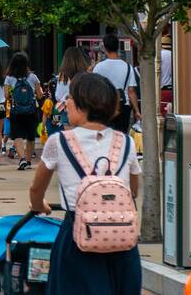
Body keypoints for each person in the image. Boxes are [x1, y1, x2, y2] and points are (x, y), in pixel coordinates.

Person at [29, 71, 141, 294]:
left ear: (83, 105)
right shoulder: (126, 142)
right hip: (121, 240)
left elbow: (36, 189)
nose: (66, 103)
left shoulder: (58, 142)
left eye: (69, 98)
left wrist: (39, 206)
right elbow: (133, 192)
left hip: (77, 237)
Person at [92, 34, 140, 135]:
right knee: (121, 136)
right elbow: (131, 91)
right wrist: (137, 111)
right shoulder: (128, 67)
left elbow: (95, 90)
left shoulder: (99, 67)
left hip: (105, 105)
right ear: (118, 47)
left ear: (105, 48)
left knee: (105, 136)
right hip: (124, 106)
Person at [5, 52, 44, 170]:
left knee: (17, 135)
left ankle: (21, 159)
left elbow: (6, 95)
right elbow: (40, 95)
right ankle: (28, 161)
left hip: (16, 111)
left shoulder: (9, 78)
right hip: (31, 111)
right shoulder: (33, 77)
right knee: (30, 137)